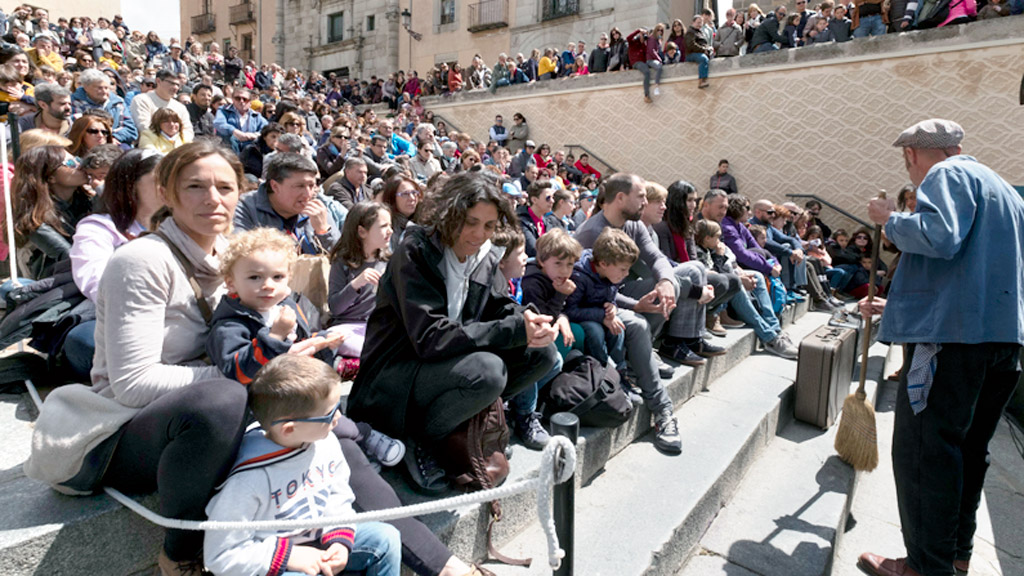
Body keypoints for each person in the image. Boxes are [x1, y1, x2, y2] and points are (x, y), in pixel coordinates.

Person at [857, 119, 1024, 576]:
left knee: (925, 452)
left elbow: (939, 236)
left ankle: (925, 567)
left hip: (950, 339)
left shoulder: (946, 176)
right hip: (1001, 341)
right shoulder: (1007, 192)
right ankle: (954, 555)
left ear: (912, 154)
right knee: (967, 452)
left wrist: (889, 219)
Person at [346, 171, 559, 494]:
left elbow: (500, 307)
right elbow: (430, 338)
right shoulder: (416, 251)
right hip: (395, 376)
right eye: (470, 222)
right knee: (488, 372)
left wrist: (529, 322)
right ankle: (421, 438)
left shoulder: (484, 255)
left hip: (442, 364)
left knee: (542, 354)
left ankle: (455, 419)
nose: (478, 234)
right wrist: (512, 329)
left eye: (488, 226)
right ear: (450, 214)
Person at [204, 355, 401, 576]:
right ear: (289, 429)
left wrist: (339, 538)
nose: (338, 417)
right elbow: (220, 556)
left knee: (385, 538)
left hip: (318, 542)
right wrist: (288, 556)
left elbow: (337, 494)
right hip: (275, 562)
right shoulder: (248, 480)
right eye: (328, 414)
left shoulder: (325, 442)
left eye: (338, 407)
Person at [693, 219, 798, 358]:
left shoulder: (712, 247)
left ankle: (775, 329)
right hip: (715, 291)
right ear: (707, 238)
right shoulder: (700, 251)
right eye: (717, 237)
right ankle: (770, 338)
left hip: (729, 276)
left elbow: (732, 264)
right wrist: (720, 256)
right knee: (736, 283)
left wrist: (741, 272)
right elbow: (716, 277)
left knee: (758, 276)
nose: (720, 240)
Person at [233, 153, 342, 255]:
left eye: (311, 186)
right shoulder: (245, 208)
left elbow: (341, 259)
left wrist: (324, 232)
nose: (308, 194)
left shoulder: (318, 209)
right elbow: (238, 255)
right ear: (275, 186)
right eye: (300, 186)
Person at [11, 146, 91, 279]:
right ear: (50, 177)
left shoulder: (86, 202)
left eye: (78, 159)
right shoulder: (36, 222)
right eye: (70, 163)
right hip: (54, 287)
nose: (80, 166)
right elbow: (69, 258)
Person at [327, 201, 392, 362]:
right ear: (362, 232)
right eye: (383, 226)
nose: (390, 231)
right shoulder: (342, 262)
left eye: (390, 225)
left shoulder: (388, 260)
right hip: (347, 327)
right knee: (340, 340)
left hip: (377, 327)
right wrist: (356, 283)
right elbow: (335, 308)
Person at [564, 227, 632, 373]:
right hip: (579, 317)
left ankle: (620, 371)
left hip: (598, 312)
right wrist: (601, 316)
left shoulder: (613, 273)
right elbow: (569, 310)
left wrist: (612, 307)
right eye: (623, 269)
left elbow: (611, 296)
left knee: (617, 329)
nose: (626, 274)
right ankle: (602, 371)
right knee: (595, 332)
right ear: (603, 264)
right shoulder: (580, 275)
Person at [69, 68, 136, 145]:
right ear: (86, 88)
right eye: (99, 88)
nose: (104, 92)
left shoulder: (118, 103)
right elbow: (76, 129)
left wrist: (112, 137)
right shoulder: (74, 102)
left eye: (106, 88)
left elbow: (131, 130)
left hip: (116, 143)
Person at [130, 69, 193, 144]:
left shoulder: (180, 107)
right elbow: (144, 127)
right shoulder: (142, 100)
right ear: (158, 81)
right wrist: (167, 141)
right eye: (172, 83)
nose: (175, 88)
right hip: (150, 146)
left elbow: (187, 130)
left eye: (178, 85)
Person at [214, 87, 268, 153]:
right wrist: (235, 132)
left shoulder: (256, 116)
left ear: (250, 101)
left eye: (245, 99)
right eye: (238, 98)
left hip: (249, 150)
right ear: (233, 100)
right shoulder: (223, 110)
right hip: (228, 150)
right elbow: (218, 123)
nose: (241, 101)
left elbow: (267, 129)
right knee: (231, 138)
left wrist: (255, 135)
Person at [517, 180, 553, 258]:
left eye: (552, 197)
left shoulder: (547, 221)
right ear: (534, 200)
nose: (552, 201)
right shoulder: (521, 221)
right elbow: (533, 250)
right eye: (548, 198)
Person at [683, 16, 712, 89]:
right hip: (691, 54)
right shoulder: (690, 32)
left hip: (699, 52)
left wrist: (708, 49)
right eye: (698, 22)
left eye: (701, 23)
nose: (700, 24)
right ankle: (701, 81)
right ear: (693, 22)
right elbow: (691, 45)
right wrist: (703, 50)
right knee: (703, 59)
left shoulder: (700, 32)